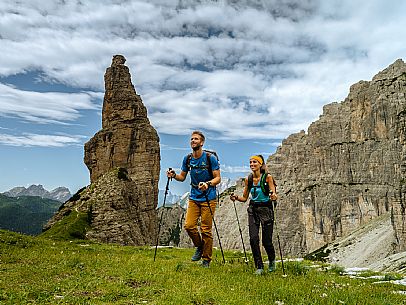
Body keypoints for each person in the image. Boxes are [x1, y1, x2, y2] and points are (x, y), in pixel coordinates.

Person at [166, 130, 221, 268]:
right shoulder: (188, 159)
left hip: (209, 198)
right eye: (191, 139)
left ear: (201, 143)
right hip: (194, 197)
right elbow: (182, 177)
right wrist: (173, 175)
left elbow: (217, 178)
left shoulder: (210, 158)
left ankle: (206, 260)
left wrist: (207, 184)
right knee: (189, 226)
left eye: (196, 139)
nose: (193, 141)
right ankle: (200, 246)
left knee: (206, 230)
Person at [230, 155, 278, 275]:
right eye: (250, 162)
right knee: (253, 239)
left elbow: (274, 193)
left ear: (261, 164)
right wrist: (236, 197)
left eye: (255, 162)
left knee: (266, 241)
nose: (252, 164)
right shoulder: (249, 179)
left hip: (266, 209)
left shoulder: (268, 177)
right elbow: (244, 198)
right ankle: (259, 267)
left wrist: (273, 196)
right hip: (253, 209)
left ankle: (272, 260)